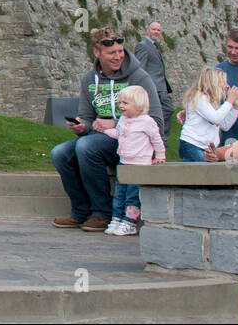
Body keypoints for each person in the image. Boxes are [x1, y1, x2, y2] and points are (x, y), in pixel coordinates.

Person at [50, 27, 161, 231]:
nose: (117, 57)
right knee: (59, 153)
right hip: (100, 137)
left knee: (85, 147)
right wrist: (82, 126)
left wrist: (118, 121)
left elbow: (155, 119)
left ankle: (102, 212)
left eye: (120, 51)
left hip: (132, 142)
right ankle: (81, 211)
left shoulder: (139, 77)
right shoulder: (89, 79)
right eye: (112, 53)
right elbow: (87, 117)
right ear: (97, 52)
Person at [102, 86, 165, 235]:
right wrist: (104, 131)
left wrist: (160, 156)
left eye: (125, 103)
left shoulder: (147, 122)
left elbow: (157, 140)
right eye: (120, 103)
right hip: (124, 162)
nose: (121, 106)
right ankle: (116, 218)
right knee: (119, 193)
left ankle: (129, 222)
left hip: (139, 165)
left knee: (133, 196)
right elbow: (119, 134)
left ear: (138, 105)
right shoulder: (123, 120)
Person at [177, 67, 238, 162]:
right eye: (224, 82)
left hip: (206, 147)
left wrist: (236, 107)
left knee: (206, 175)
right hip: (192, 144)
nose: (227, 86)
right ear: (214, 83)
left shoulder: (213, 102)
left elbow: (225, 125)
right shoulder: (198, 97)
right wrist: (230, 100)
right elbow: (215, 119)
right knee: (201, 175)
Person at [132, 21, 174, 140]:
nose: (156, 32)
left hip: (161, 87)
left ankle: (158, 136)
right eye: (154, 29)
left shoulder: (154, 46)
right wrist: (143, 88)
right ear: (148, 30)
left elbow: (159, 69)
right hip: (153, 87)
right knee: (165, 110)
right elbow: (140, 68)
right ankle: (158, 137)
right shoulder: (143, 45)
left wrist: (167, 88)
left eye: (158, 30)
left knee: (167, 110)